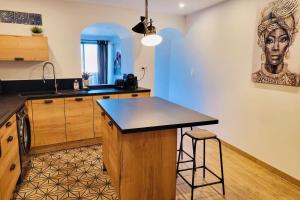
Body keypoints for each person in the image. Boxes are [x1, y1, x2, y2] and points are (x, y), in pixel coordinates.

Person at [252, 0, 300, 86]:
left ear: (289, 43)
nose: (276, 47)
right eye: (270, 40)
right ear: (263, 43)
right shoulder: (255, 77)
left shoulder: (295, 80)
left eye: (283, 39)